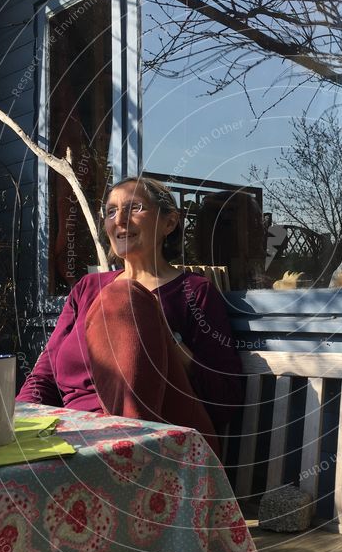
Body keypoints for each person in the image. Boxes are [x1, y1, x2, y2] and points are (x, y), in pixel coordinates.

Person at [17, 176, 243, 456]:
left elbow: (226, 399)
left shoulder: (194, 292)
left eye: (135, 208)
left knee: (123, 297)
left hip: (163, 439)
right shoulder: (87, 288)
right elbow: (43, 375)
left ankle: (128, 452)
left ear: (169, 223)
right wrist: (20, 426)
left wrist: (166, 338)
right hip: (80, 439)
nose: (119, 220)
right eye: (111, 212)